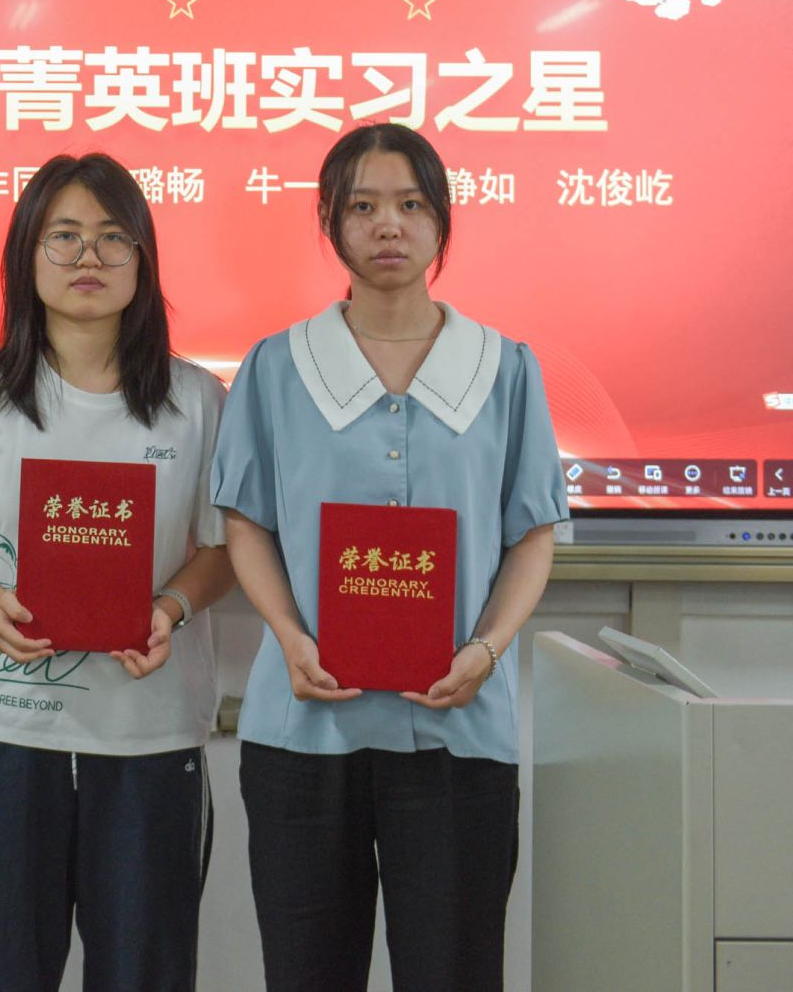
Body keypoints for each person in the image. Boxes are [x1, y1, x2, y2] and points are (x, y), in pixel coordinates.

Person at [210, 122, 568, 992]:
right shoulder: (276, 366)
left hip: (458, 730)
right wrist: (290, 635)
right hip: (304, 728)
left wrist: (486, 650)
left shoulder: (505, 369)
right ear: (330, 222)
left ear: (442, 219)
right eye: (362, 206)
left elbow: (532, 535)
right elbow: (246, 522)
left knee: (454, 971)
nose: (388, 225)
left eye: (410, 204)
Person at [0, 154, 233, 992]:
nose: (88, 256)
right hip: (6, 731)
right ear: (26, 254)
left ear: (142, 259)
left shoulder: (199, 402)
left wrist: (171, 607)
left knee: (145, 971)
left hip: (150, 736)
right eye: (63, 236)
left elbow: (220, 549)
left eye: (111, 237)